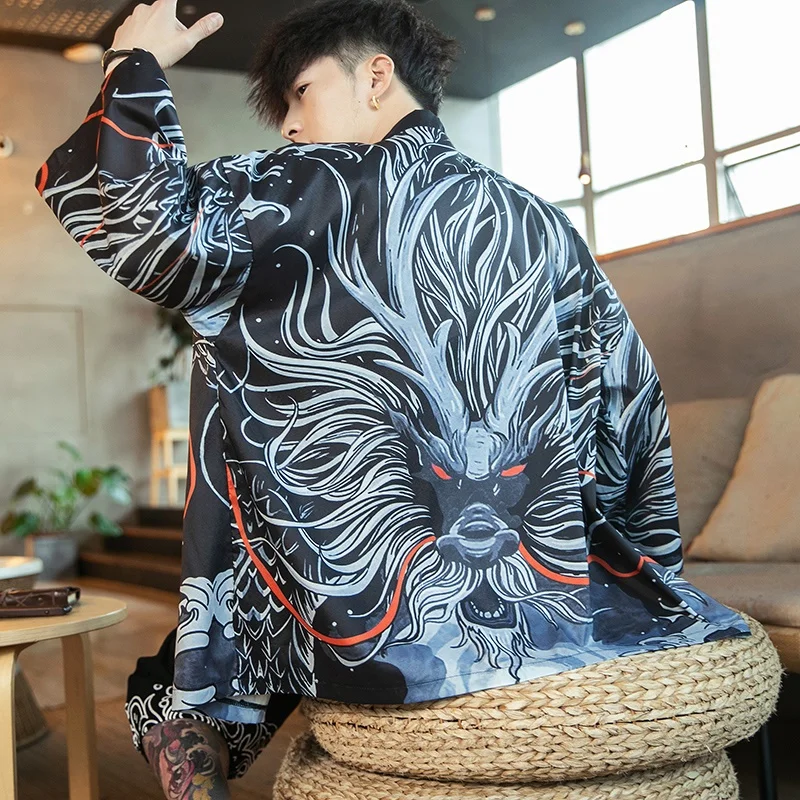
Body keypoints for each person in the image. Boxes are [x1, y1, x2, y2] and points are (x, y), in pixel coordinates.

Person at [35, 0, 751, 796]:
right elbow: (627, 408)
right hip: (553, 607)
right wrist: (632, 568)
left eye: (301, 93)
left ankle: (198, 762)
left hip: (366, 620)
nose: (290, 128)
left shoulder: (304, 192)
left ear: (376, 76)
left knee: (170, 681)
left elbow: (139, 223)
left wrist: (131, 64)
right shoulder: (543, 224)